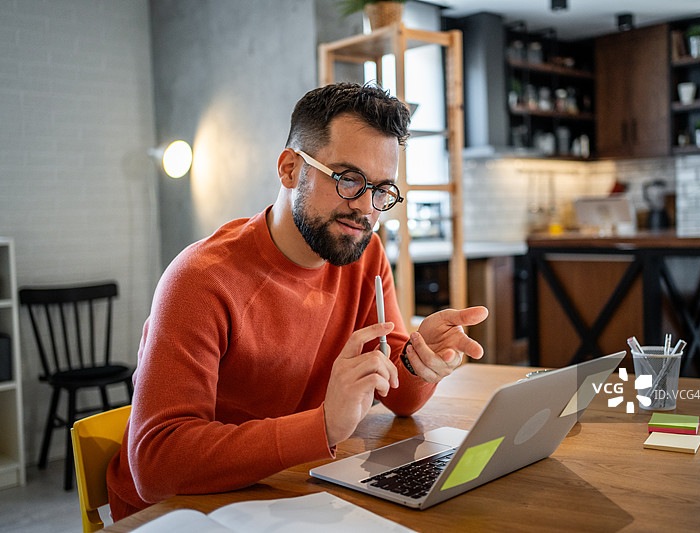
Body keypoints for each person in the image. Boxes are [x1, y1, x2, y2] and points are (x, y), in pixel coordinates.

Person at [106, 82, 489, 520]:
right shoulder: (200, 279)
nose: (367, 208)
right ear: (290, 169)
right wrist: (322, 426)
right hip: (182, 512)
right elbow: (157, 466)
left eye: (382, 189)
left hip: (284, 490)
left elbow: (398, 397)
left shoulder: (364, 254)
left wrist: (419, 361)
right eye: (349, 179)